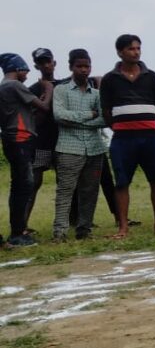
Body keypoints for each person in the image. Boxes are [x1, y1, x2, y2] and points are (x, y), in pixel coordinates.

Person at [99, 34, 155, 238]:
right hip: (123, 139)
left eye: (138, 48)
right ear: (120, 52)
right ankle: (123, 227)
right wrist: (122, 125)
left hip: (151, 137)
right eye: (131, 49)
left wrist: (143, 121)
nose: (136, 52)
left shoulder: (152, 76)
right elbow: (106, 110)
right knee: (122, 182)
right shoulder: (110, 79)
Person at [52, 49, 106, 241]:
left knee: (90, 192)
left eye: (87, 66)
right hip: (68, 148)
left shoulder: (97, 94)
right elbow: (59, 116)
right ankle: (60, 232)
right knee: (65, 191)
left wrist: (77, 119)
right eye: (79, 66)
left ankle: (84, 230)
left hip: (94, 148)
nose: (84, 70)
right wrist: (89, 115)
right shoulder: (61, 90)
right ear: (71, 67)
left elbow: (104, 120)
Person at [0, 53, 52, 247]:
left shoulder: (5, 88)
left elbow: (31, 111)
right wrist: (48, 87)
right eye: (26, 71)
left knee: (19, 186)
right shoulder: (14, 86)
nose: (27, 75)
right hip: (20, 139)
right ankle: (17, 233)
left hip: (12, 139)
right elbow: (44, 107)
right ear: (18, 69)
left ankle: (18, 230)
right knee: (24, 186)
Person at [24, 48, 57, 229]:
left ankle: (71, 221)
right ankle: (23, 223)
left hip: (62, 141)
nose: (46, 65)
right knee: (34, 182)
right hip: (41, 142)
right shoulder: (32, 90)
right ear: (36, 66)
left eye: (48, 61)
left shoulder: (65, 85)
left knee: (68, 183)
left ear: (54, 62)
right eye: (42, 62)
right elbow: (36, 119)